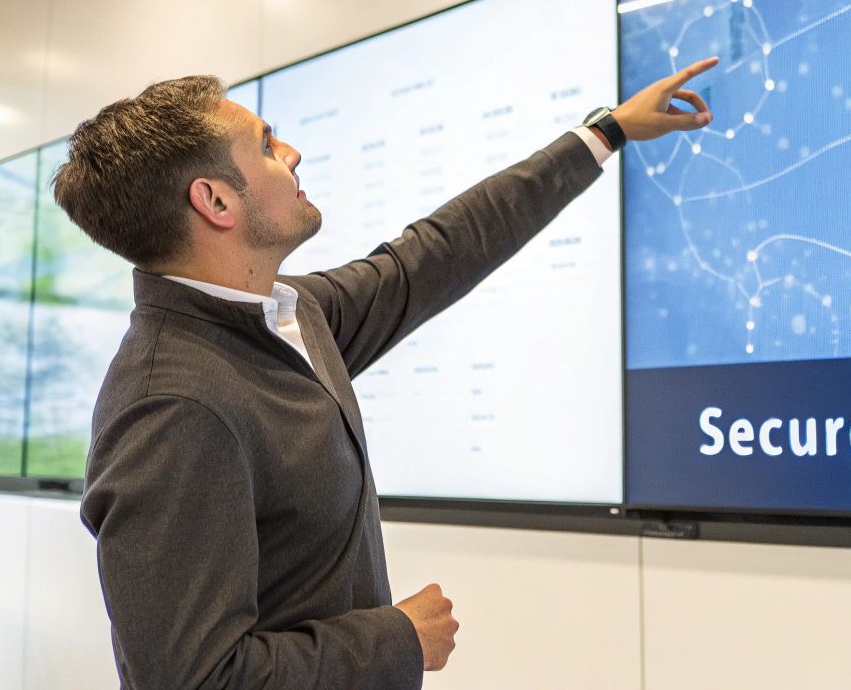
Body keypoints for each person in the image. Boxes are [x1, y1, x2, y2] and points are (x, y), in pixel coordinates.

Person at [53, 57, 718, 689]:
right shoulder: (172, 406)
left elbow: (435, 255)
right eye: (266, 146)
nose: (292, 155)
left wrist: (605, 132)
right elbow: (192, 678)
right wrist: (398, 638)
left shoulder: (293, 316)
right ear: (216, 202)